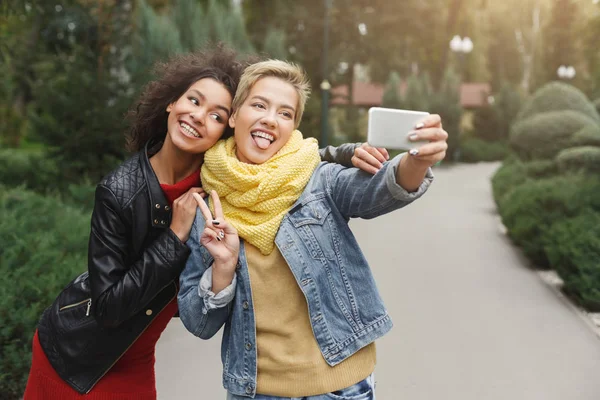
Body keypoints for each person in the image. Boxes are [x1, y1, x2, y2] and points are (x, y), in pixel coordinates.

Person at [23, 47, 375, 399]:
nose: (198, 116)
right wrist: (174, 235)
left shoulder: (221, 175)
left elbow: (290, 158)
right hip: (78, 353)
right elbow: (108, 308)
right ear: (171, 104)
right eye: (193, 101)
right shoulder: (119, 191)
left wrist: (343, 153)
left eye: (216, 115)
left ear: (228, 126)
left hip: (137, 352)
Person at [177, 59, 448, 399]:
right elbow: (198, 322)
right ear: (234, 115)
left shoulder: (317, 179)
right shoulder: (205, 206)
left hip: (339, 387)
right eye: (259, 105)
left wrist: (417, 161)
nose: (270, 119)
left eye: (285, 113)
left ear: (293, 127)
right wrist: (223, 268)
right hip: (255, 390)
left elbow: (378, 190)